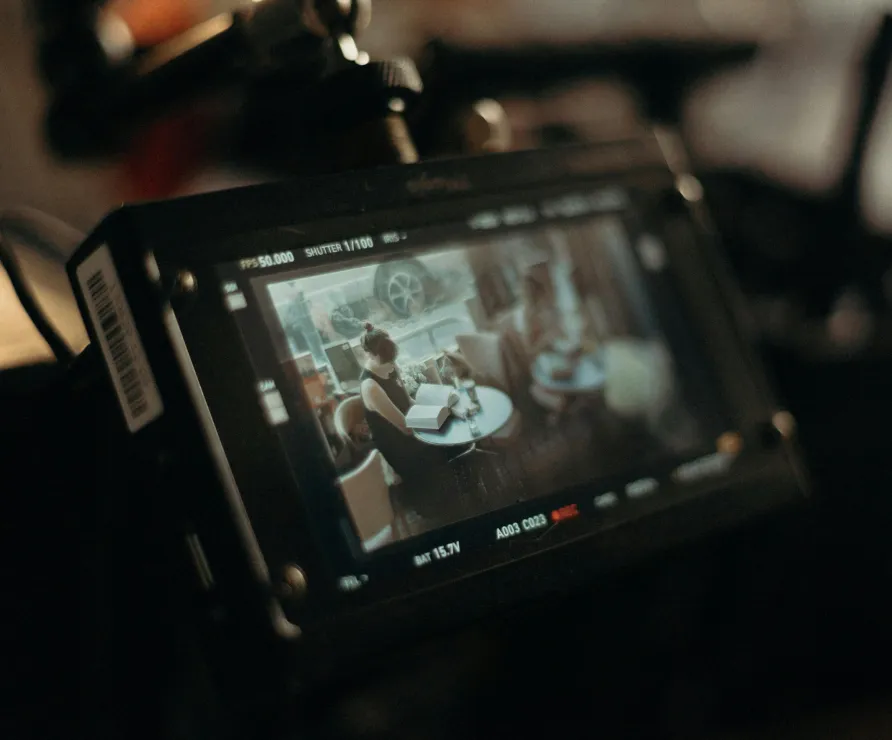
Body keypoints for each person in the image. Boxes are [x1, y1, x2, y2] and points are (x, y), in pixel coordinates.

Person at [358, 323, 460, 520]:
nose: (392, 366)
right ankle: (440, 507)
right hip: (397, 442)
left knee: (451, 423)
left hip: (410, 425)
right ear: (370, 355)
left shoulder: (390, 366)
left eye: (392, 360)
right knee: (440, 445)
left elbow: (408, 401)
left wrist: (437, 411)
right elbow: (405, 428)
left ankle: (453, 493)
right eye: (387, 361)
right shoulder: (371, 387)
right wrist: (432, 421)